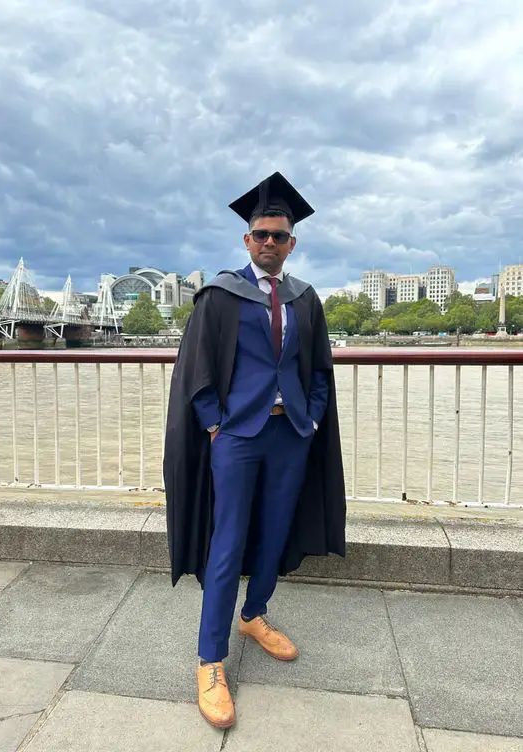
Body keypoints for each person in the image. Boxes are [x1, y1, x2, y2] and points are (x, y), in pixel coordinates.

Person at [163, 171, 346, 729]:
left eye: (280, 236)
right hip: (237, 438)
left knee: (274, 531)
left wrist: (312, 419)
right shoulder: (220, 296)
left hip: (289, 433)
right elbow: (196, 372)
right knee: (228, 541)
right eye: (261, 234)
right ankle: (210, 660)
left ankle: (255, 613)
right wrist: (216, 426)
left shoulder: (304, 299)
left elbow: (317, 369)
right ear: (246, 239)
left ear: (293, 242)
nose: (270, 243)